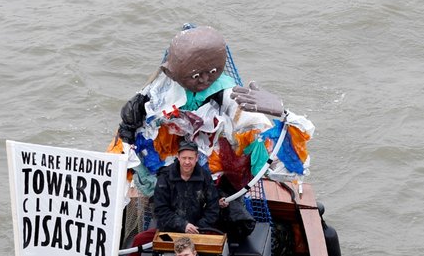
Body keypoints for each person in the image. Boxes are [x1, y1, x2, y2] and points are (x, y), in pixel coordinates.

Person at [116, 26, 314, 197]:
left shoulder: (225, 92)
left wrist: (281, 113)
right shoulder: (157, 94)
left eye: (211, 72)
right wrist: (128, 130)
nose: (204, 80)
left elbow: (257, 129)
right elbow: (128, 133)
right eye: (195, 75)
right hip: (170, 170)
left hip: (212, 174)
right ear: (170, 71)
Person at [151, 140, 220, 235]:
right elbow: (160, 208)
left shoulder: (205, 177)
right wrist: (183, 225)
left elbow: (213, 207)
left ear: (196, 158)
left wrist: (199, 227)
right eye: (184, 158)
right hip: (169, 230)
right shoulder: (165, 176)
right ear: (178, 157)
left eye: (190, 158)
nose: (187, 162)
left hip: (198, 231)